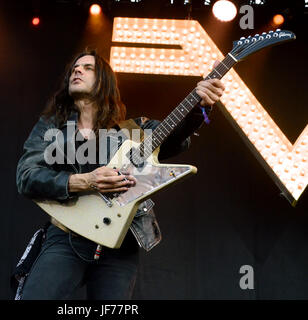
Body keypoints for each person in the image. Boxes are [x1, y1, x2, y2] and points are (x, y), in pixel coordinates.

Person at [15, 50, 224, 300]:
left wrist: (199, 107)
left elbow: (177, 135)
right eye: (74, 68)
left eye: (87, 68)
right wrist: (86, 181)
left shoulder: (135, 130)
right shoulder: (52, 128)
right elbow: (27, 176)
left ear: (104, 80)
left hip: (120, 244)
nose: (77, 71)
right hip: (66, 236)